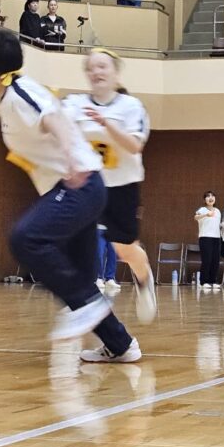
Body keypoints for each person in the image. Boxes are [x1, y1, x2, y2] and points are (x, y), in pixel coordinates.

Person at [0, 30, 141, 363]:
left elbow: (53, 120)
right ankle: (121, 345)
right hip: (81, 187)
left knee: (26, 239)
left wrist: (72, 159)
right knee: (80, 281)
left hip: (79, 185)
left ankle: (89, 306)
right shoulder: (13, 96)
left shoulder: (20, 94)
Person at [63, 49, 157, 324]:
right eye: (91, 67)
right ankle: (81, 302)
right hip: (88, 185)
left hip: (122, 186)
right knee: (74, 242)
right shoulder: (75, 104)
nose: (97, 72)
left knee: (123, 249)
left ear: (115, 73)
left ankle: (144, 279)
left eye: (103, 66)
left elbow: (135, 145)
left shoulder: (131, 107)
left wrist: (106, 124)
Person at [195, 191, 222, 290]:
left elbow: (217, 224)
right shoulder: (202, 210)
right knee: (206, 260)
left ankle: (213, 281)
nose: (210, 198)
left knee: (215, 260)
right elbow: (196, 217)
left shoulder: (218, 211)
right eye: (208, 196)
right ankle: (204, 281)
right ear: (204, 200)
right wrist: (206, 215)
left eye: (212, 196)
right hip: (205, 237)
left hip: (217, 238)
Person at [96, 225, 118, 291]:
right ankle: (99, 277)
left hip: (113, 228)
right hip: (99, 227)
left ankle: (110, 278)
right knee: (100, 252)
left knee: (113, 253)